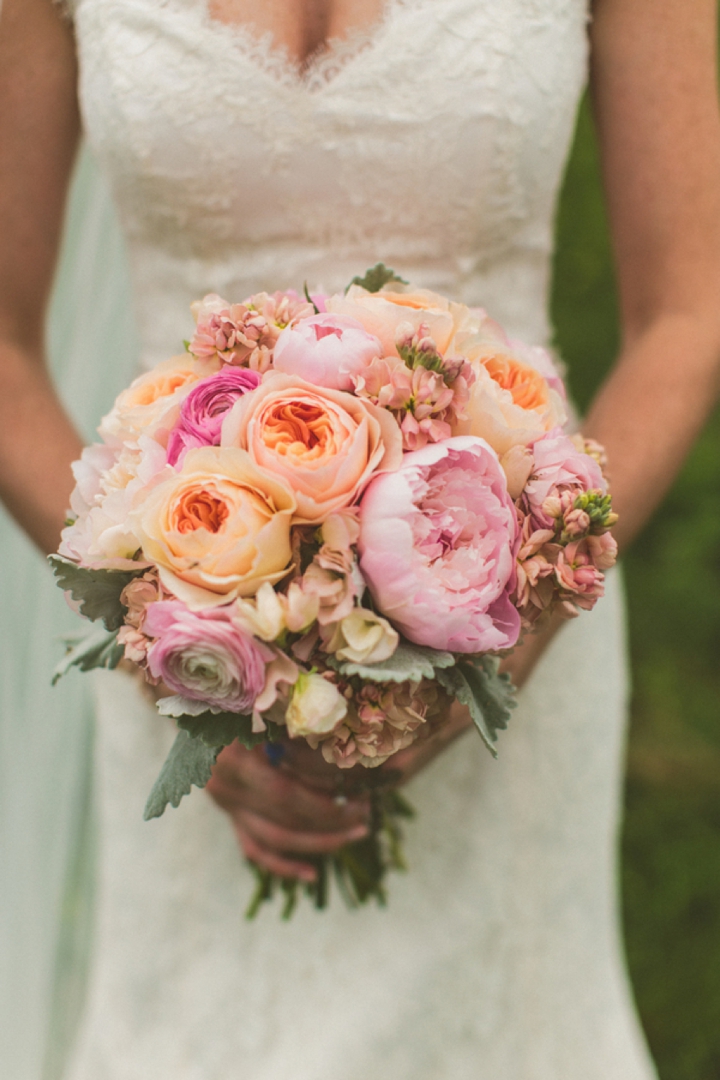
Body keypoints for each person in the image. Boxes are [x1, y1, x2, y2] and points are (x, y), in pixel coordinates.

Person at [1, 0, 719, 1077]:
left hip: (515, 645)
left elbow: (689, 313)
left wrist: (525, 616)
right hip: (193, 646)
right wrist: (163, 629)